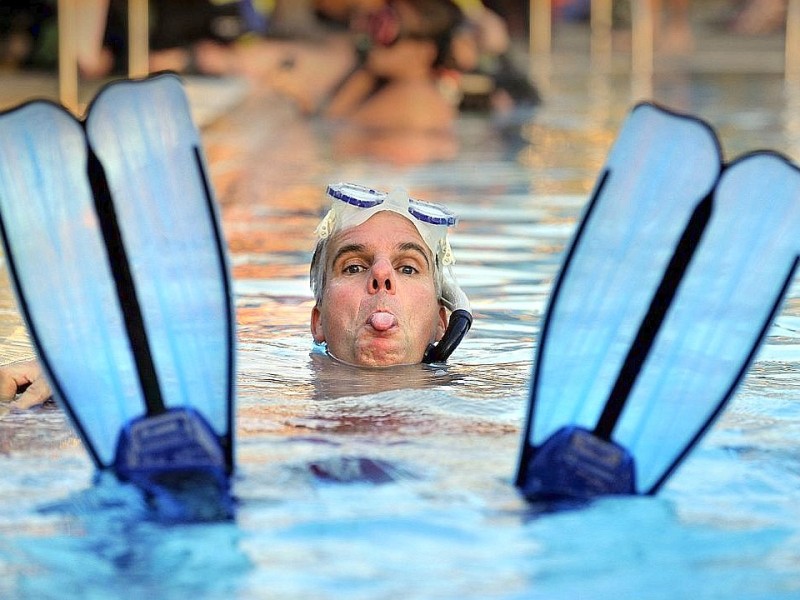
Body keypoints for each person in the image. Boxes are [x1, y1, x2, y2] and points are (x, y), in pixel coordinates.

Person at [0, 182, 470, 407]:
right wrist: (86, 371)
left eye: (407, 267)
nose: (382, 277)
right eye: (354, 265)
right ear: (319, 321)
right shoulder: (257, 385)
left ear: (441, 325)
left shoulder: (485, 403)